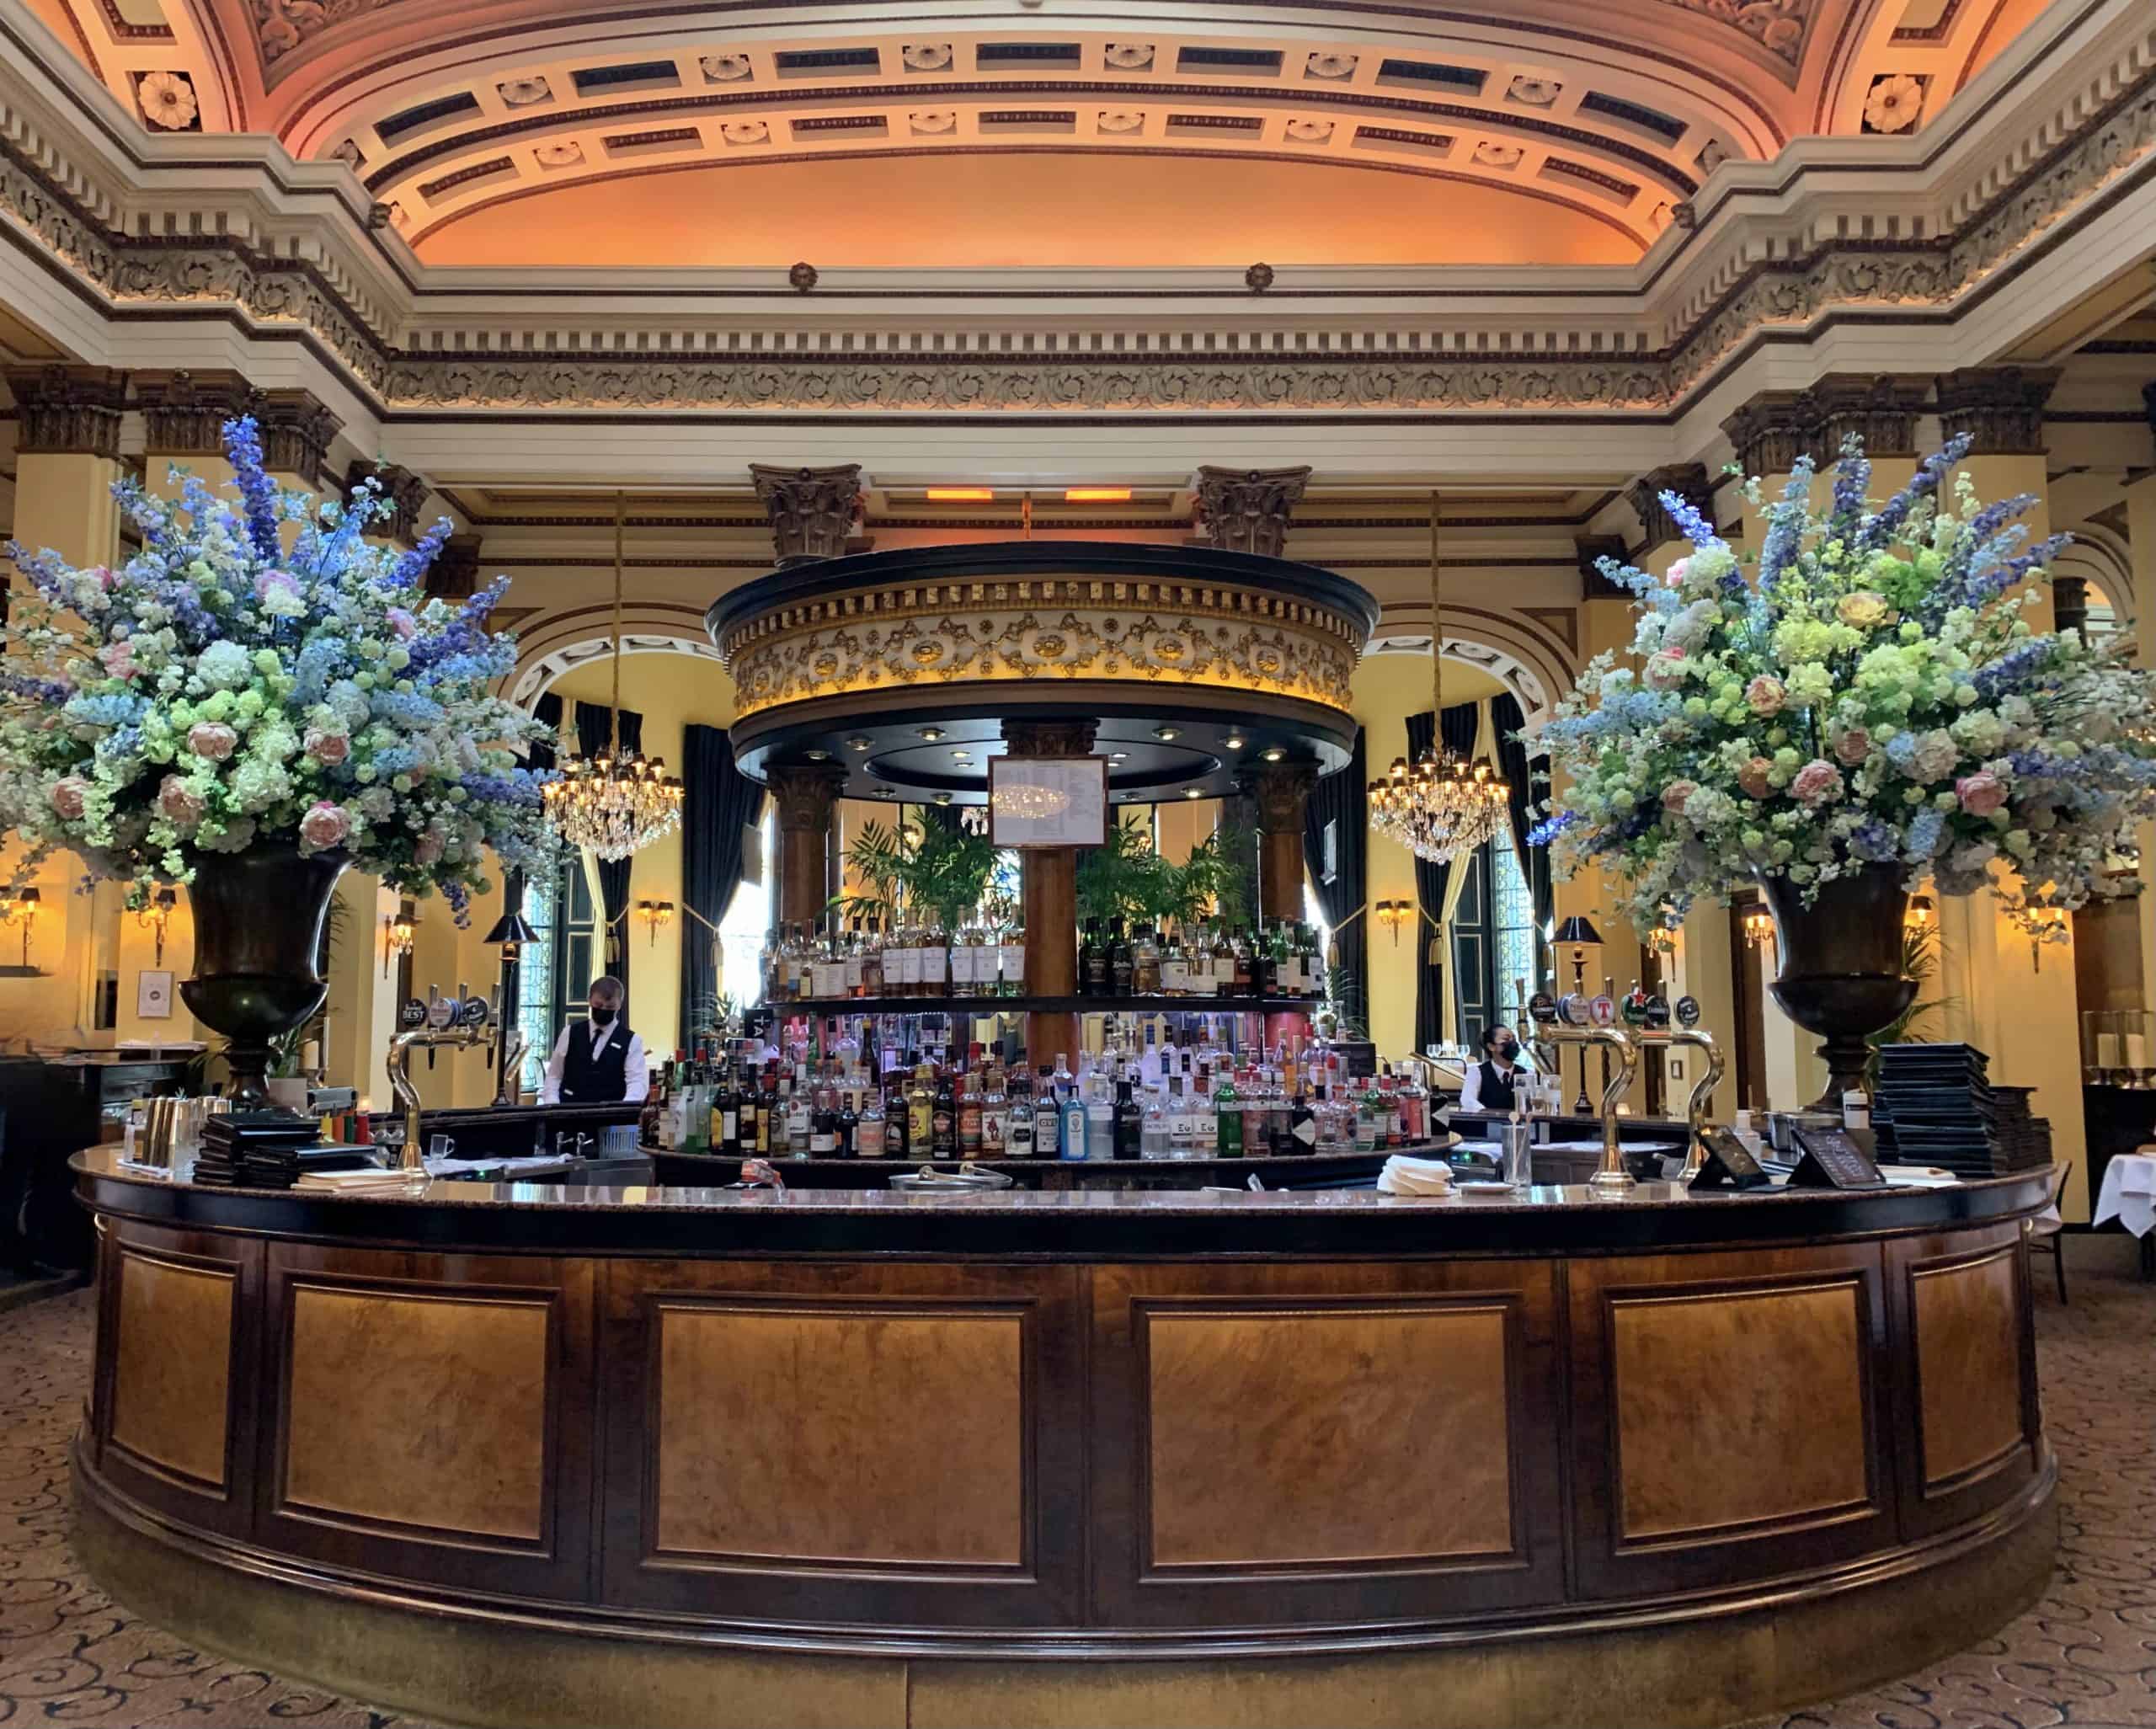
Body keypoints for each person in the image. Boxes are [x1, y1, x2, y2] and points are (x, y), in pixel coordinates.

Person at [540, 977, 648, 1105]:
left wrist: (624, 1110)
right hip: (568, 1111)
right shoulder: (569, 1033)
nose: (604, 1010)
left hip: (610, 1115)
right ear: (589, 1000)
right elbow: (554, 1075)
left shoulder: (632, 1040)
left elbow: (637, 1081)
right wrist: (553, 1105)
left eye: (610, 1007)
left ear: (619, 1004)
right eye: (598, 1005)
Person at [1459, 1022, 1529, 1114]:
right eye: (1506, 1039)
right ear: (1491, 1046)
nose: (1513, 1042)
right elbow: (1467, 1100)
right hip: (1487, 1125)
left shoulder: (1526, 1074)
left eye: (1514, 1039)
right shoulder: (1477, 1073)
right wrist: (1488, 1113)